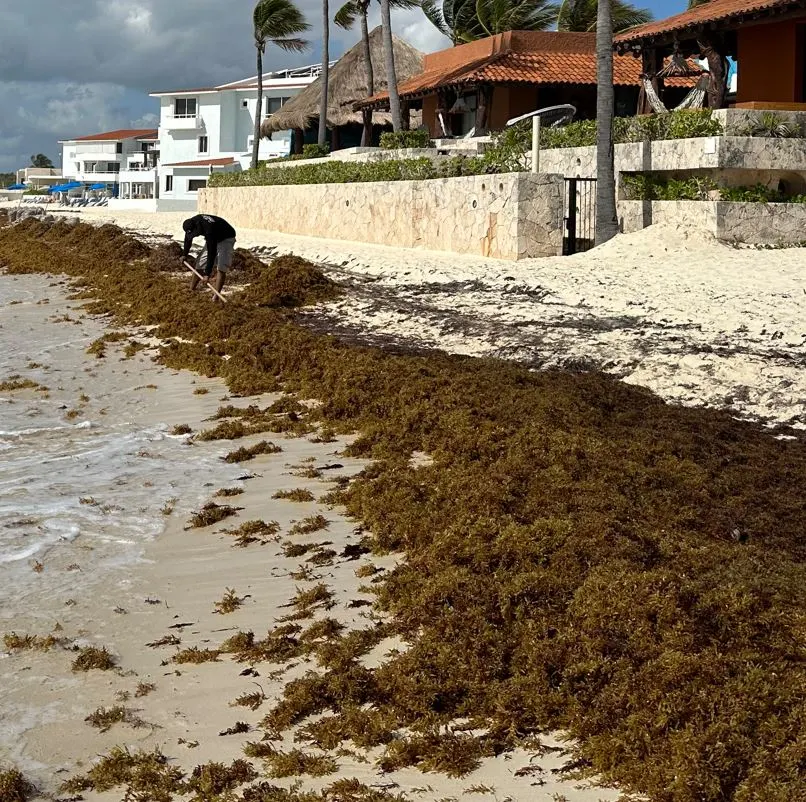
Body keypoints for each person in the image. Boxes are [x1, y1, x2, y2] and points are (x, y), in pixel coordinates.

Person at [181, 213, 237, 299]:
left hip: (226, 237)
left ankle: (216, 297)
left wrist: (207, 274)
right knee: (200, 263)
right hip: (214, 236)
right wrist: (184, 254)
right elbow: (188, 239)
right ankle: (191, 289)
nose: (194, 235)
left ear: (197, 228)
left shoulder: (208, 229)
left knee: (221, 267)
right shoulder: (191, 223)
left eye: (195, 233)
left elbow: (212, 252)